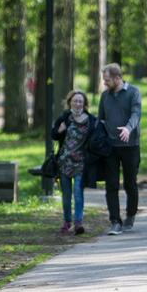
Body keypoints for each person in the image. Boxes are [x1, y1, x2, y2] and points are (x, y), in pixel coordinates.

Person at [98, 63, 142, 236]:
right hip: (110, 147)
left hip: (130, 146)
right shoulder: (105, 96)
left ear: (117, 78)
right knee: (111, 185)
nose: (105, 83)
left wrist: (128, 128)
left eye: (107, 80)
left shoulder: (133, 92)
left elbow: (136, 114)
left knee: (130, 183)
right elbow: (101, 119)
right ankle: (115, 221)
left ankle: (130, 214)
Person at [51, 90, 98, 235]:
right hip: (64, 162)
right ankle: (66, 222)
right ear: (70, 102)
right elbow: (53, 135)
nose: (77, 103)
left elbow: (96, 139)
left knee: (78, 193)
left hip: (81, 163)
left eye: (80, 101)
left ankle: (78, 222)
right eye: (75, 101)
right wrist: (60, 131)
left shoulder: (91, 120)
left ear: (84, 104)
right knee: (66, 195)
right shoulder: (65, 117)